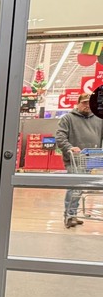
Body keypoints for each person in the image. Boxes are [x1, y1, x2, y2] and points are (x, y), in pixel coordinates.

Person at [56, 92, 103, 228]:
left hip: (92, 158)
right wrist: (70, 147)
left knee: (80, 188)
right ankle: (69, 216)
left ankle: (73, 214)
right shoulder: (68, 118)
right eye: (84, 102)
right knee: (74, 187)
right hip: (74, 159)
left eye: (90, 103)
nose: (87, 105)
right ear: (78, 103)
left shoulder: (99, 119)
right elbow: (60, 137)